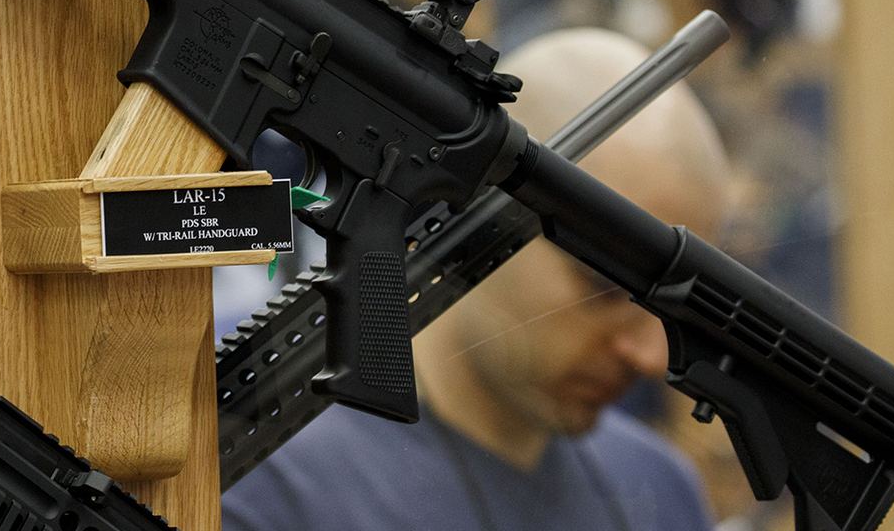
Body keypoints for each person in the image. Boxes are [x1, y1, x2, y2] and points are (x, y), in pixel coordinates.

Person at [223, 27, 728, 531]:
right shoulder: (256, 485)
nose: (651, 355)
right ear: (473, 222)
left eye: (673, 310)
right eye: (606, 287)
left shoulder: (662, 491)